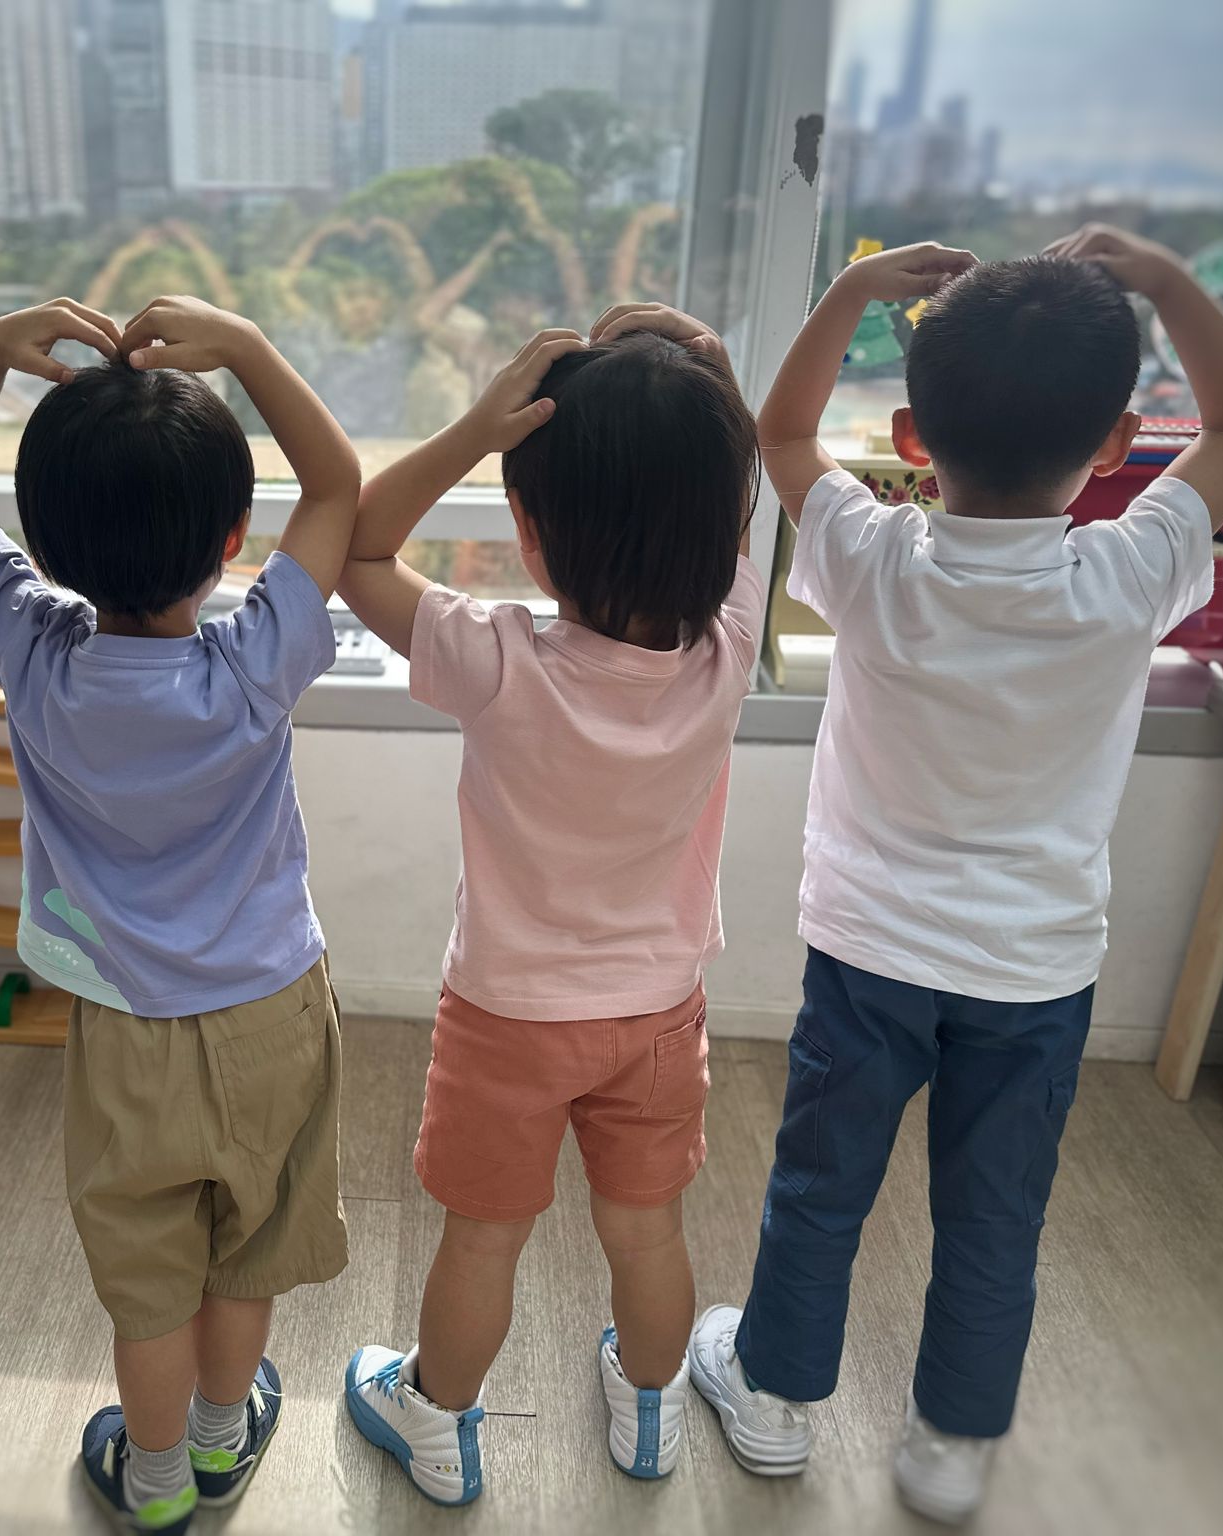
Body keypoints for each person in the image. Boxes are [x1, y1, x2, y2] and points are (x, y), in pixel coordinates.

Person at [689, 228, 1223, 1523]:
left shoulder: (876, 558)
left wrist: (846, 288)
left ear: (911, 437)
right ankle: (952, 1449)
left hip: (868, 956)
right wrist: (1167, 284)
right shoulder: (1130, 573)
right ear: (1121, 442)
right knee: (996, 1216)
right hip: (1037, 973)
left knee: (819, 1188)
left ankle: (779, 1403)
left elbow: (779, 439)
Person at [0, 295, 359, 1535]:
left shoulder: (30, 649)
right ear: (229, 538)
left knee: (149, 1276)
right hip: (271, 1006)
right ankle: (223, 1437)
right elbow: (337, 487)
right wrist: (255, 350)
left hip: (119, 1026)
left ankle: (153, 1481)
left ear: (43, 546)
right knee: (244, 1247)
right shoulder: (255, 661)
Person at [336, 313, 765, 1501]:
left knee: (484, 1239)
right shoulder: (729, 643)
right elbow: (743, 507)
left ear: (527, 534)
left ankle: (434, 1421)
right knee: (647, 1232)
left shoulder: (494, 657)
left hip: (507, 1019)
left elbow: (355, 550)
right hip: (657, 1013)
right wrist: (715, 386)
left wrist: (476, 428)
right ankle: (646, 1414)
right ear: (718, 522)